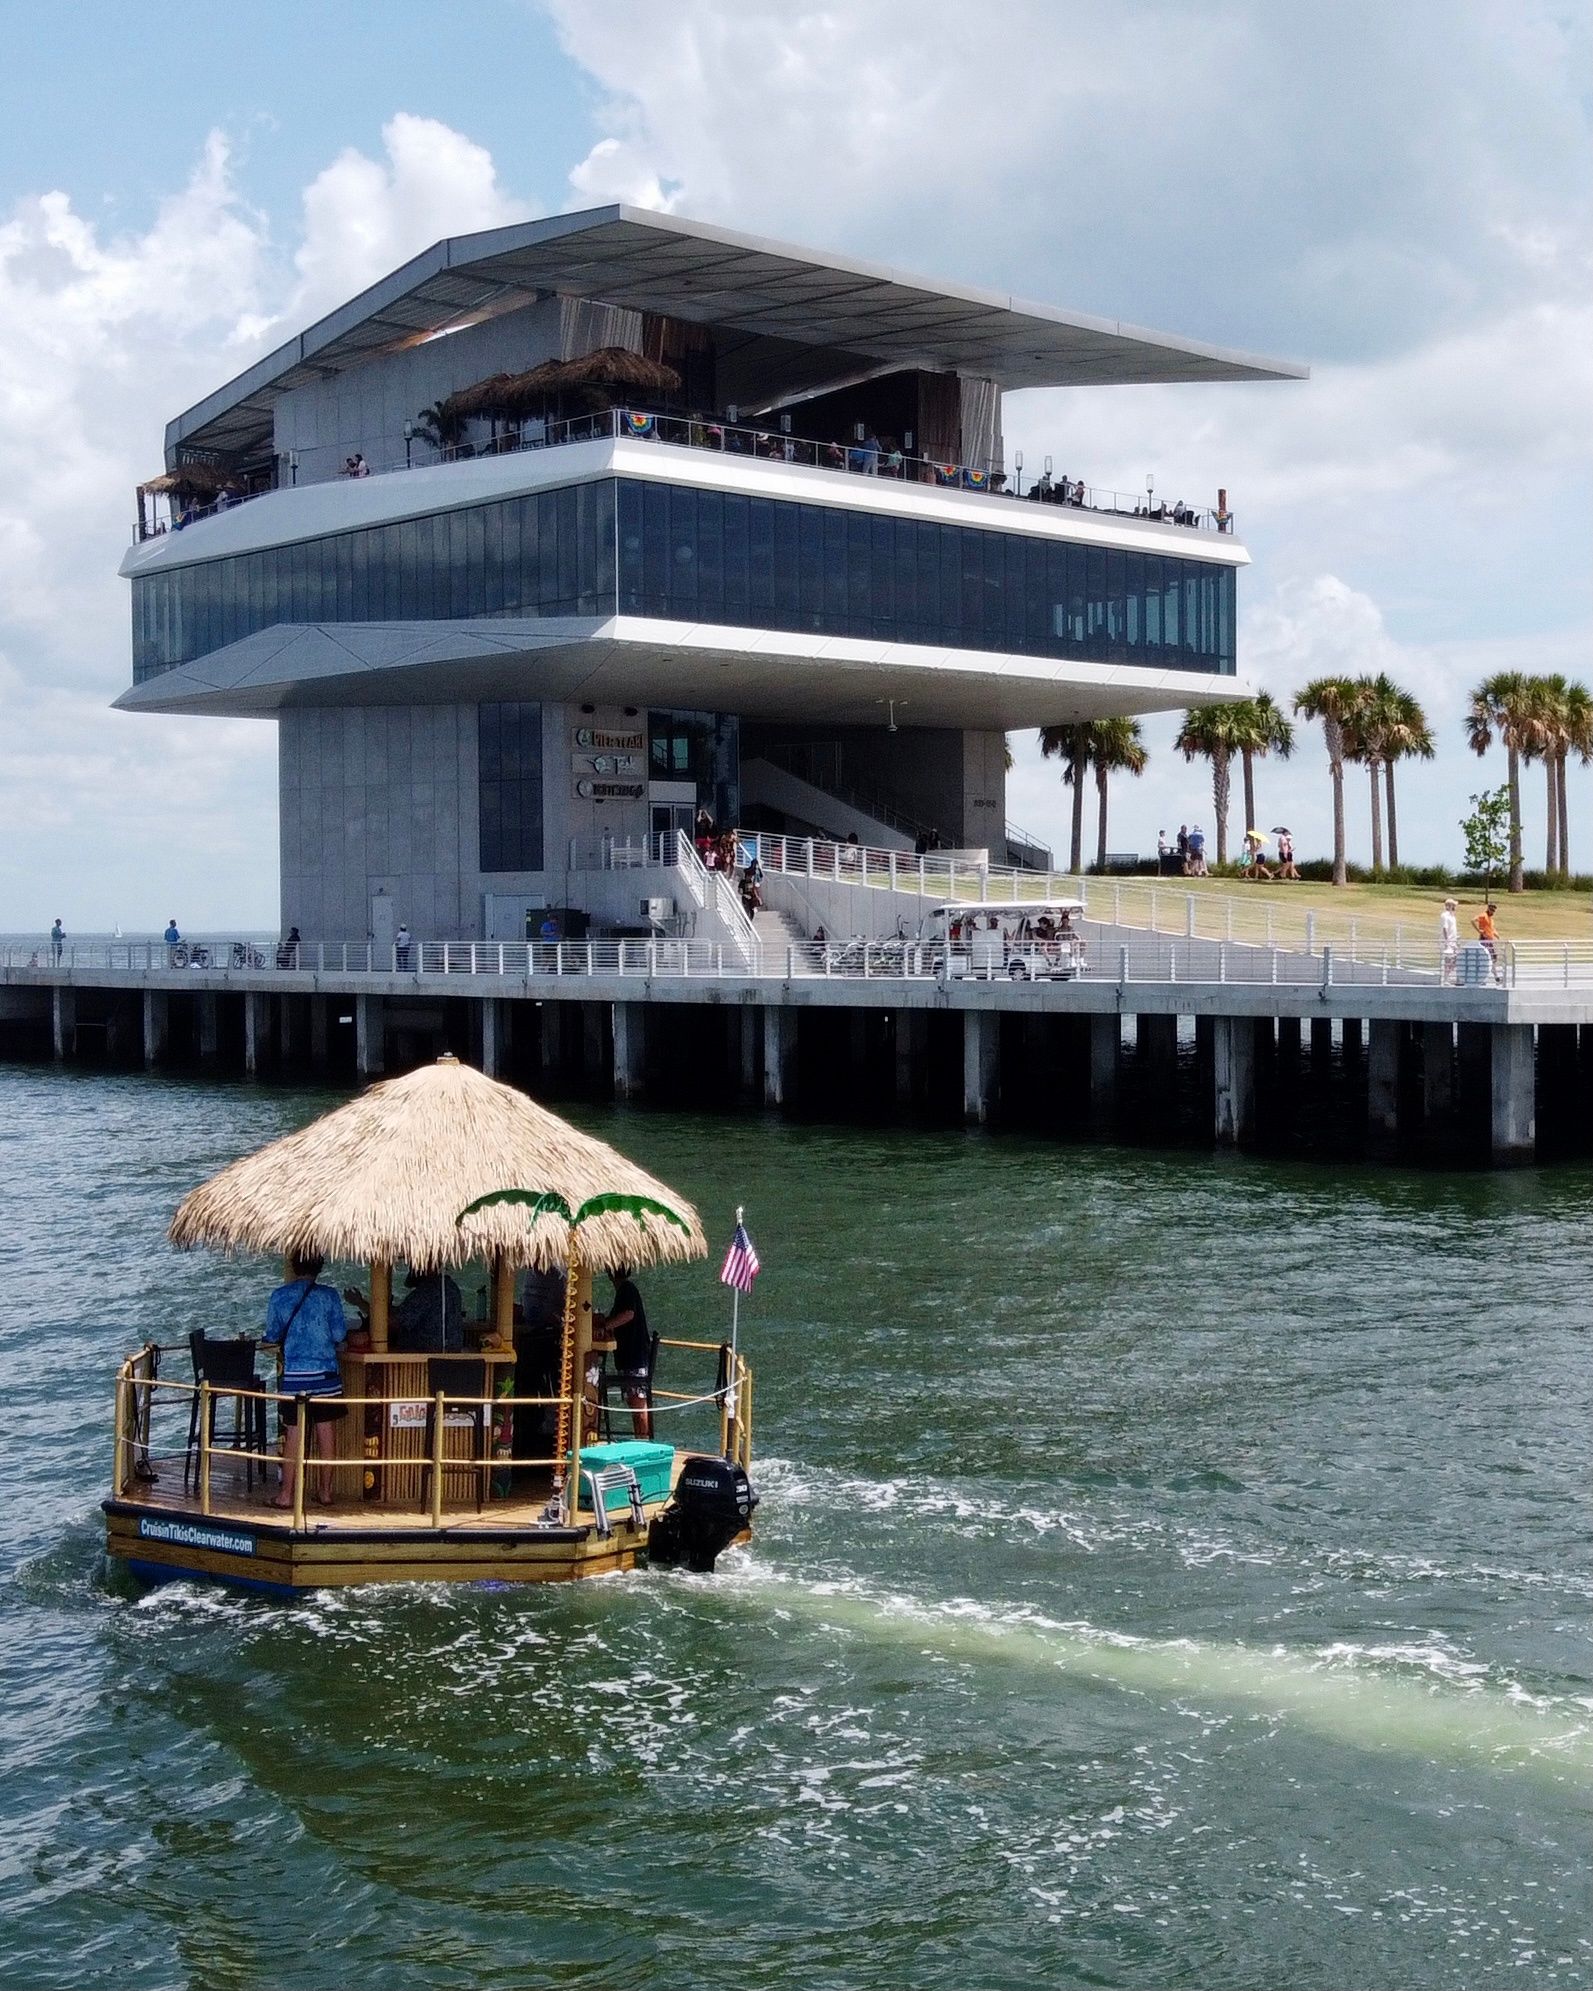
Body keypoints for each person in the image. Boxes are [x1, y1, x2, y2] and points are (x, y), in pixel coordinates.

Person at [263, 1253, 349, 1508]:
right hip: (325, 1376)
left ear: (294, 1265)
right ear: (320, 1267)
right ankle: (325, 1492)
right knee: (326, 1432)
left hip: (295, 1376)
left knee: (294, 1434)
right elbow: (339, 1334)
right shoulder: (329, 1296)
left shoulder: (279, 1296)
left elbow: (272, 1334)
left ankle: (286, 1495)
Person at [596, 1264, 653, 1440]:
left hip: (634, 1357)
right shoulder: (624, 1291)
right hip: (629, 1357)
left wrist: (605, 1326)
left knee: (638, 1404)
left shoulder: (627, 1289)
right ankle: (640, 1439)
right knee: (634, 1403)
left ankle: (643, 1442)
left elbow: (628, 1314)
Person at [1472, 901, 1502, 983]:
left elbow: (1491, 929)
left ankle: (1495, 974)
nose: (1492, 912)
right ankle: (1490, 976)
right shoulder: (1483, 915)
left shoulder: (1490, 919)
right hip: (1484, 940)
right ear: (1488, 908)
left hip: (1490, 940)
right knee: (1485, 958)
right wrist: (1479, 930)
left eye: (1494, 910)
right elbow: (1473, 920)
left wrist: (1496, 934)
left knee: (1493, 958)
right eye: (1491, 909)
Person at [1439, 898, 1460, 985]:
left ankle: (1447, 976)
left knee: (1456, 958)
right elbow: (1445, 928)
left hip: (1453, 942)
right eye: (1453, 905)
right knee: (1448, 960)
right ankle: (1445, 979)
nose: (1455, 907)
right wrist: (1447, 941)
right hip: (1448, 943)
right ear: (1449, 906)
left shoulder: (1452, 916)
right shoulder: (1445, 916)